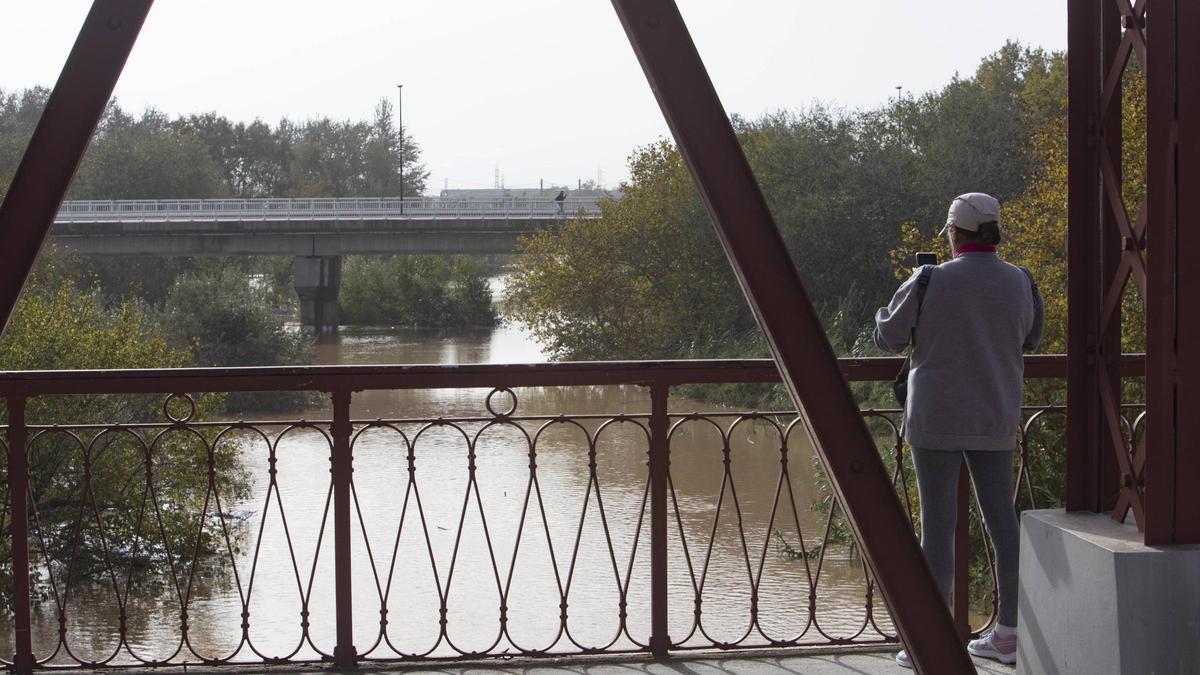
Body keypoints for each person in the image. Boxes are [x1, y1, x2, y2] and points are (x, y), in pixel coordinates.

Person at [874, 192, 1043, 669]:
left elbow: (887, 335)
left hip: (937, 419)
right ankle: (1008, 633)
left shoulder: (929, 279)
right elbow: (1032, 337)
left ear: (954, 233)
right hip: (996, 415)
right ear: (993, 232)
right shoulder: (1021, 281)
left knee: (938, 530)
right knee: (1003, 524)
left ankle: (930, 640)